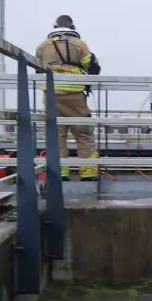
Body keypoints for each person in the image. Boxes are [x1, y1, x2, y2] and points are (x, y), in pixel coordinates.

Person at [35, 15, 101, 181]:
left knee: (57, 134)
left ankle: (60, 172)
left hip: (50, 94)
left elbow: (37, 68)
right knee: (83, 133)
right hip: (74, 93)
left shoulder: (43, 46)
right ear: (72, 27)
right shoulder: (79, 44)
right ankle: (88, 173)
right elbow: (92, 66)